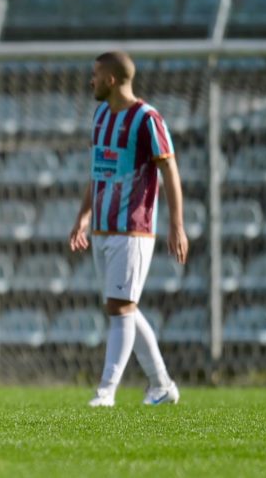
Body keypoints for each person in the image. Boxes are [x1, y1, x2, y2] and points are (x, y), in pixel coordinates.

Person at [69, 51, 189, 407]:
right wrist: (83, 215)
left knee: (120, 308)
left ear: (111, 79)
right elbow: (98, 171)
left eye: (95, 74)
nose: (90, 81)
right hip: (102, 229)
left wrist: (177, 225)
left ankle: (105, 392)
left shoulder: (147, 118)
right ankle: (162, 384)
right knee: (123, 308)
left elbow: (170, 171)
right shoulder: (100, 116)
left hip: (133, 229)